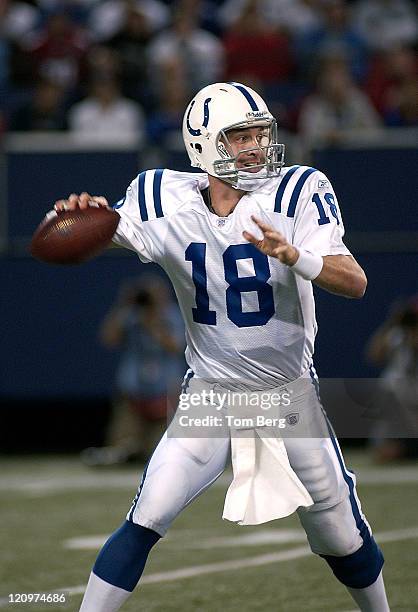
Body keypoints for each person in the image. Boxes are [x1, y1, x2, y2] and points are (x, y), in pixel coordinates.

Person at [53, 82, 389, 611]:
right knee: (148, 514)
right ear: (205, 146)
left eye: (261, 133)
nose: (258, 146)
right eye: (241, 136)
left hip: (287, 397)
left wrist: (294, 255)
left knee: (340, 537)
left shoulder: (299, 189)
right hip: (210, 394)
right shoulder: (161, 196)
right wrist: (80, 216)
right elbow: (97, 228)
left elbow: (354, 280)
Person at [82, 274, 185, 465]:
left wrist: (154, 322)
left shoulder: (174, 315)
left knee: (163, 453)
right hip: (134, 389)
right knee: (121, 447)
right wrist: (122, 305)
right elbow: (109, 338)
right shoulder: (130, 315)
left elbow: (176, 347)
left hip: (166, 390)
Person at [366, 296, 418, 462]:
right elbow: (374, 354)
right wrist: (392, 322)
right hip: (402, 411)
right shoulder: (399, 337)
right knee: (385, 453)